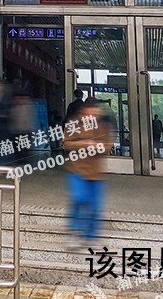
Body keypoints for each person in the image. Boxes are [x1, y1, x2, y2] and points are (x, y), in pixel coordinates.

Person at [63, 96, 115, 249]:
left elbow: (108, 147)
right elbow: (65, 144)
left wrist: (97, 146)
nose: (93, 114)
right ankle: (74, 232)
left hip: (96, 173)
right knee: (78, 199)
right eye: (90, 110)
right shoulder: (74, 124)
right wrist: (83, 143)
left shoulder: (104, 126)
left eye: (96, 111)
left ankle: (91, 236)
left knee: (94, 206)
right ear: (84, 111)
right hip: (76, 170)